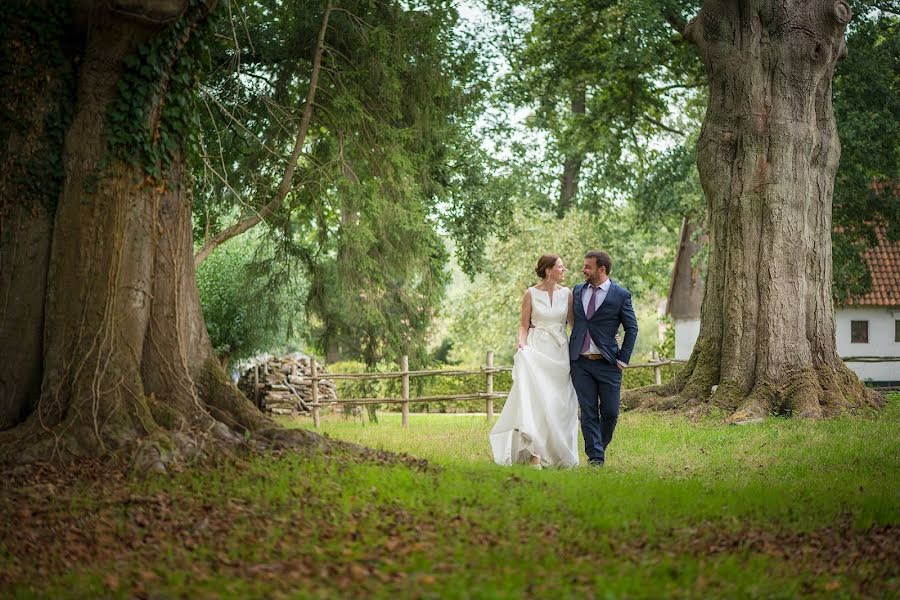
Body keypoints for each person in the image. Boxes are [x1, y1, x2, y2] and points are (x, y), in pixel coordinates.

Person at [489, 255, 579, 469]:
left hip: (559, 353)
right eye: (560, 266)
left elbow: (574, 325)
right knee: (536, 400)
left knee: (559, 403)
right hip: (536, 348)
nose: (564, 269)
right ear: (549, 270)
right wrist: (521, 344)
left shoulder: (567, 294)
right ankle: (534, 453)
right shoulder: (530, 293)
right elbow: (523, 325)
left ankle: (559, 453)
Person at [568, 251, 638, 467]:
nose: (583, 270)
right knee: (587, 411)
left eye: (588, 267)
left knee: (610, 412)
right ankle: (596, 458)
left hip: (608, 362)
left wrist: (622, 359)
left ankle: (599, 446)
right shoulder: (578, 290)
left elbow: (632, 328)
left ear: (602, 269)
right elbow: (571, 320)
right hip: (580, 361)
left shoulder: (620, 295)